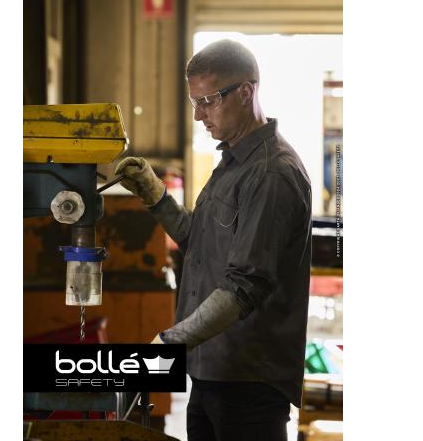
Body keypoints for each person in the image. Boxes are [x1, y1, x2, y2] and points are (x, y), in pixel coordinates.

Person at [115, 39, 312, 441]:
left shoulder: (271, 174)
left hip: (249, 382)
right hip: (212, 370)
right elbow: (200, 243)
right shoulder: (232, 162)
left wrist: (170, 342)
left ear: (246, 92)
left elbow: (244, 286)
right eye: (194, 102)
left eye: (207, 101)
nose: (198, 114)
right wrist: (154, 193)